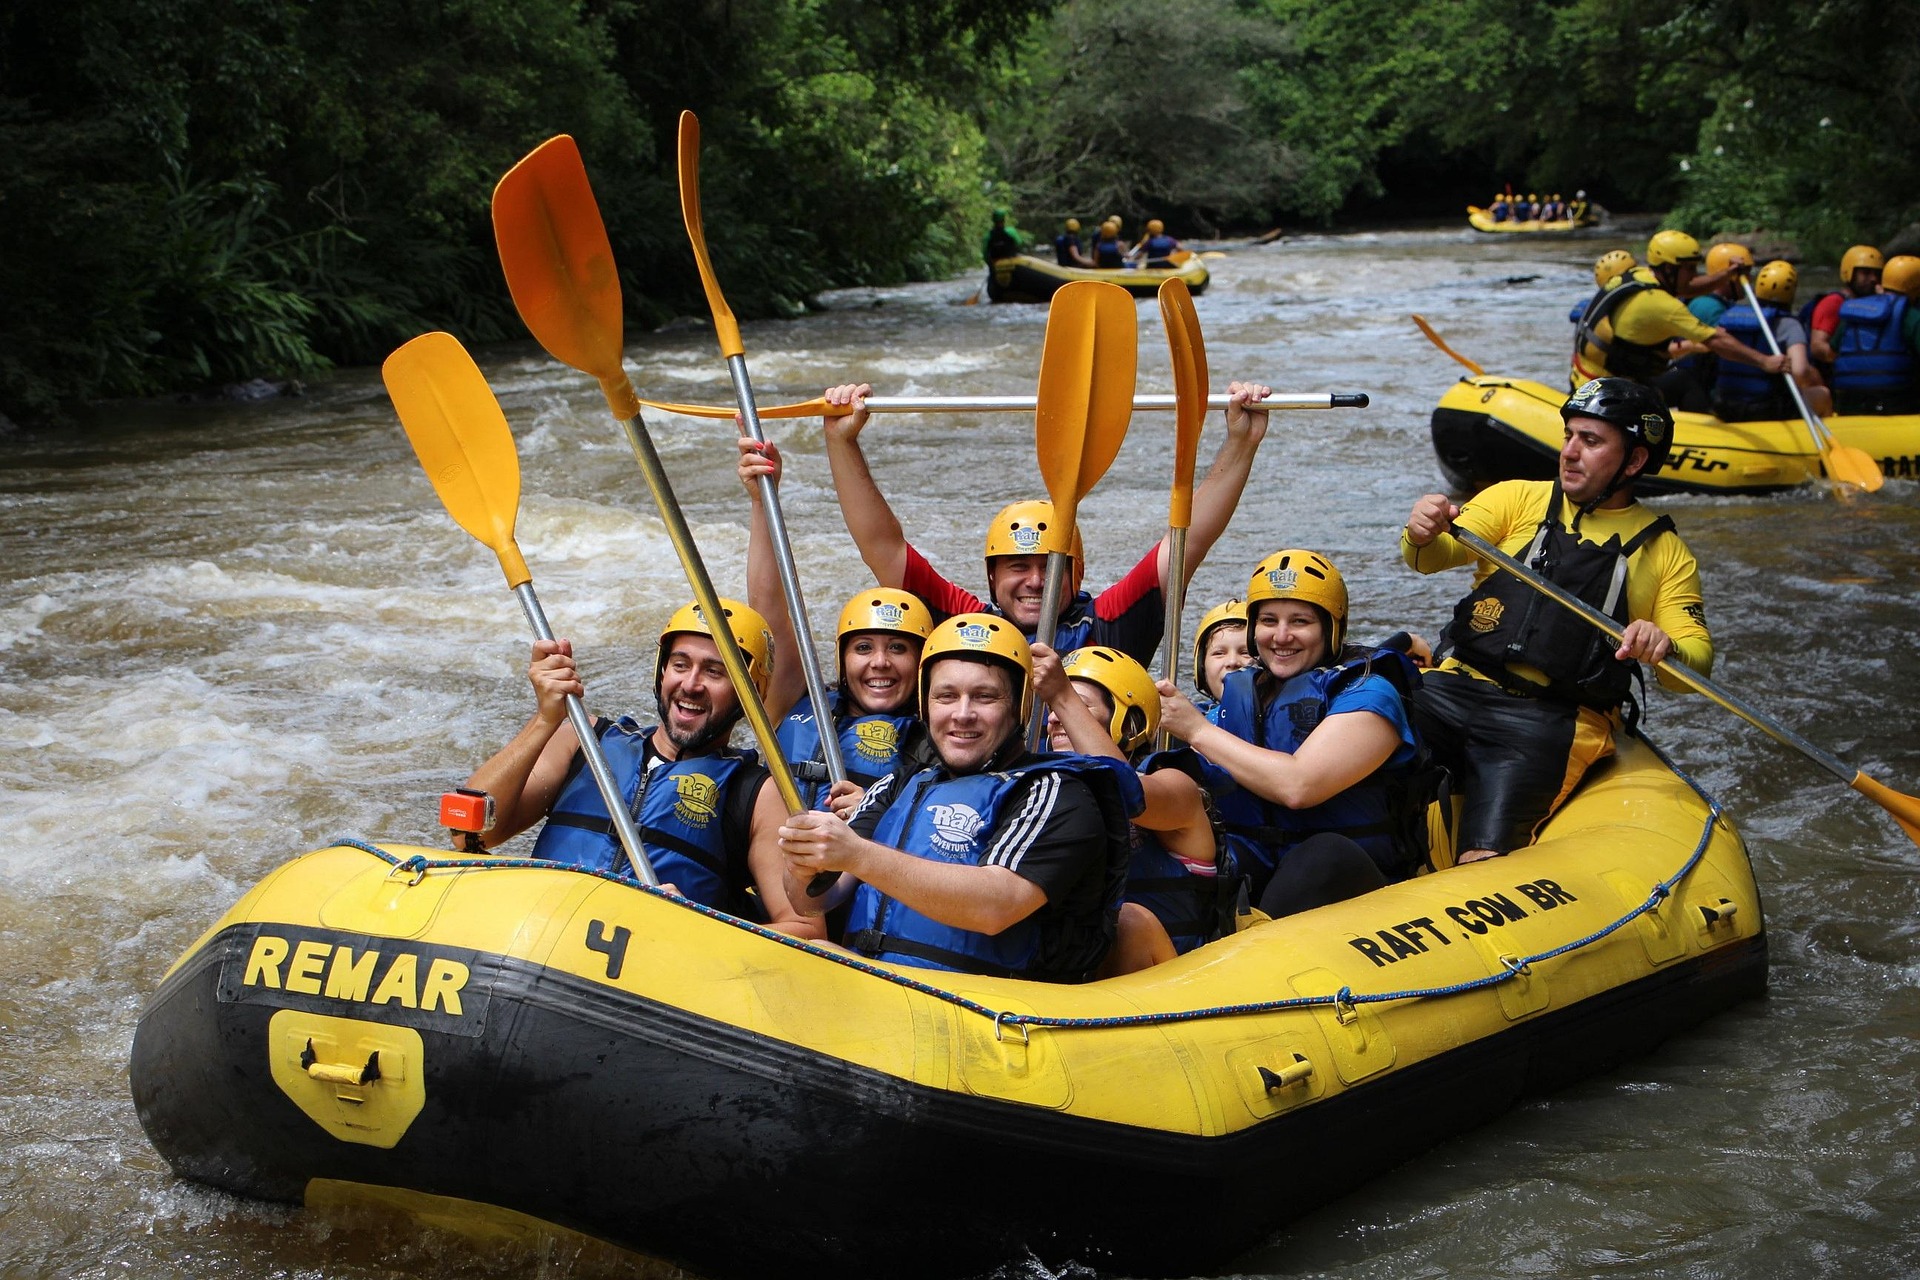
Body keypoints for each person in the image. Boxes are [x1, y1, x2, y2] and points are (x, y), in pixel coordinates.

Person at [1401, 377, 1714, 865]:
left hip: (1548, 720)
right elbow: (1429, 558)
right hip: (1453, 688)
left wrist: (1665, 644)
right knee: (1359, 724)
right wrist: (1420, 530)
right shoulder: (1515, 499)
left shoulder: (1665, 554)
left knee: (1482, 858)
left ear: (1634, 460)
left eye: (1590, 441)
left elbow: (1694, 666)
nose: (1569, 451)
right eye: (1569, 435)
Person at [776, 614, 1137, 983]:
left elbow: (996, 907)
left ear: (1019, 706)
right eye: (946, 696)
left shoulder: (1056, 792)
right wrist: (802, 862)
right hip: (877, 987)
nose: (962, 714)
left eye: (984, 697)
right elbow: (813, 902)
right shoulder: (898, 785)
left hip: (986, 1005)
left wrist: (857, 854)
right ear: (926, 704)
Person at [818, 380, 1275, 668]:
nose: (1037, 581)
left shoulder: (1109, 624)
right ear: (992, 577)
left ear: (1078, 573)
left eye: (1051, 566)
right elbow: (883, 545)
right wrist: (841, 444)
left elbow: (1187, 539)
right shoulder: (962, 623)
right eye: (1018, 567)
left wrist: (1241, 443)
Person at [463, 600, 824, 939]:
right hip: (538, 936)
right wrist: (545, 718)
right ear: (661, 671)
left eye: (715, 672)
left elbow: (807, 931)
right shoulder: (583, 739)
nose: (691, 685)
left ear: (751, 693)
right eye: (680, 665)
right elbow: (470, 833)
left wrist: (698, 926)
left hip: (646, 965)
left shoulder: (757, 794)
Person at [1152, 550, 1427, 918]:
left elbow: (1299, 786)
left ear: (1330, 628)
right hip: (1260, 868)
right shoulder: (1240, 699)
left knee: (1322, 855)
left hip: (1353, 881)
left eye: (1300, 621)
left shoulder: (1370, 692)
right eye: (1269, 620)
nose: (1281, 636)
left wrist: (1196, 731)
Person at [738, 438, 933, 811]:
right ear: (842, 659)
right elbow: (768, 610)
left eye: (897, 648)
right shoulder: (795, 701)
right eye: (863, 648)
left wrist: (874, 811)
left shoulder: (946, 731)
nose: (880, 662)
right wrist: (763, 501)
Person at [1033, 643, 1237, 963]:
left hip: (1173, 974)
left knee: (1130, 923)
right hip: (1083, 969)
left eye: (1079, 706)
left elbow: (1128, 795)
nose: (1057, 717)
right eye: (1053, 707)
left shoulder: (1178, 788)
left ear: (1129, 725)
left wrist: (1062, 694)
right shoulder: (1041, 792)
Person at [1571, 230, 1783, 408]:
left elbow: (1687, 288)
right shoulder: (1665, 306)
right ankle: (1699, 433)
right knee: (1686, 382)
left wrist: (1727, 274)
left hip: (1585, 377)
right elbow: (1717, 340)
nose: (1694, 274)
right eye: (1689, 268)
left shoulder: (1637, 275)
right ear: (1669, 269)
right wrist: (1765, 362)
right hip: (1609, 392)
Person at [1713, 260, 1833, 421]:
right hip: (1767, 408)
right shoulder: (1789, 325)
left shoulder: (1731, 319)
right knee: (1823, 394)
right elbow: (1800, 372)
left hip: (1724, 406)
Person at [1826, 249, 1919, 415]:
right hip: (1898, 403)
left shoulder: (1854, 310)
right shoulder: (1911, 316)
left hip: (1849, 403)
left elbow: (1832, 352)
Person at [1809, 245, 1885, 372]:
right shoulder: (1834, 302)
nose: (1874, 279)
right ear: (1849, 274)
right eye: (1866, 273)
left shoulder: (1881, 304)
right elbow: (1817, 348)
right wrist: (1854, 362)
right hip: (1840, 373)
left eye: (1877, 274)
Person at [1191, 598, 1253, 721]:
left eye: (1245, 653)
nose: (1232, 662)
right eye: (1219, 653)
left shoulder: (1283, 716)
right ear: (1201, 668)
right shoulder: (1191, 717)